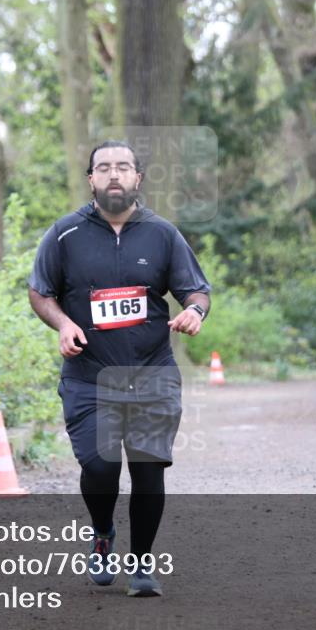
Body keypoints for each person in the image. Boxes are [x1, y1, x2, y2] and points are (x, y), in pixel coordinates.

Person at [28, 140, 211, 597]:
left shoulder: (163, 234)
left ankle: (143, 563)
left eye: (123, 167)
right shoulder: (64, 234)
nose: (114, 174)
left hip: (152, 371)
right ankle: (103, 530)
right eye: (103, 167)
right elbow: (40, 291)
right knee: (101, 468)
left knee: (149, 471)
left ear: (137, 179)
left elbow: (196, 290)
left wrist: (195, 312)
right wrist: (64, 323)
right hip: (89, 375)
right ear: (90, 179)